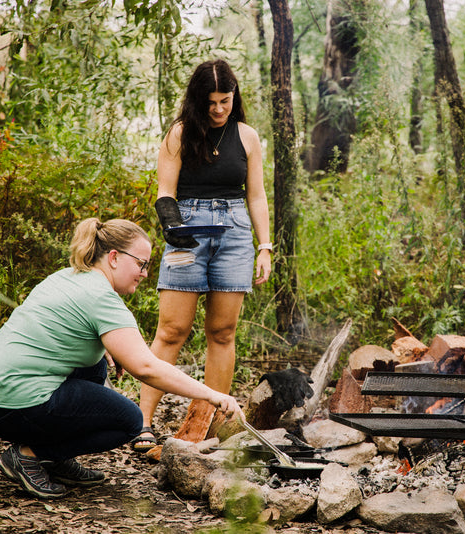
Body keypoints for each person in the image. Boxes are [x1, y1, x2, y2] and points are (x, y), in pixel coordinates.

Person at [0, 217, 243, 499]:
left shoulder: (68, 276)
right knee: (129, 421)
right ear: (114, 257)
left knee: (97, 365)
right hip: (11, 402)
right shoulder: (102, 299)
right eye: (141, 264)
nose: (145, 273)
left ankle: (54, 461)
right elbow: (147, 368)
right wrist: (212, 395)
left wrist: (107, 346)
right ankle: (29, 455)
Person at [129, 59, 273, 452]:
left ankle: (205, 426)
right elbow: (165, 192)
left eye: (225, 100)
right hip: (186, 232)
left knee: (222, 333)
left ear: (234, 97)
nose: (218, 109)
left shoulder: (247, 136)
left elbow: (256, 196)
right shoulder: (178, 134)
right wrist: (173, 226)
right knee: (171, 331)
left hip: (235, 234)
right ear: (197, 100)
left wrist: (265, 246)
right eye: (210, 102)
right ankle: (140, 424)